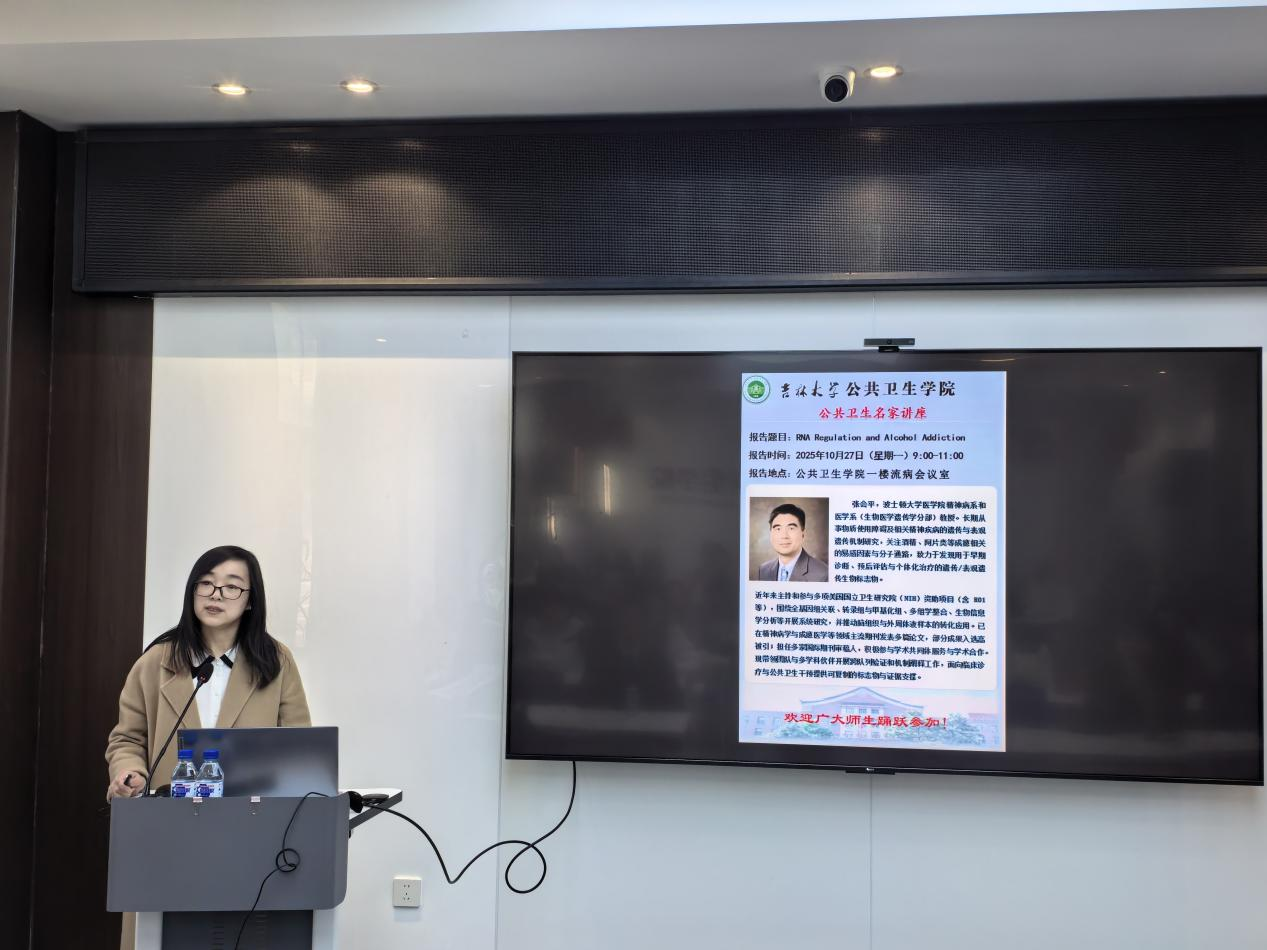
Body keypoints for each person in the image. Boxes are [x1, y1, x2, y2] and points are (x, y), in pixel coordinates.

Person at [105, 545, 311, 801]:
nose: (216, 595)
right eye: (206, 583)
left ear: (250, 601)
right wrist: (130, 772)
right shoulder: (155, 661)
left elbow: (298, 745)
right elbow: (128, 739)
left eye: (232, 587)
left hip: (252, 813)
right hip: (170, 813)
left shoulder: (276, 660)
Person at [757, 502, 829, 582]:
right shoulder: (764, 570)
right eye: (778, 529)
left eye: (791, 528)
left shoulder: (823, 574)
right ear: (771, 534)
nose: (784, 536)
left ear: (803, 534)